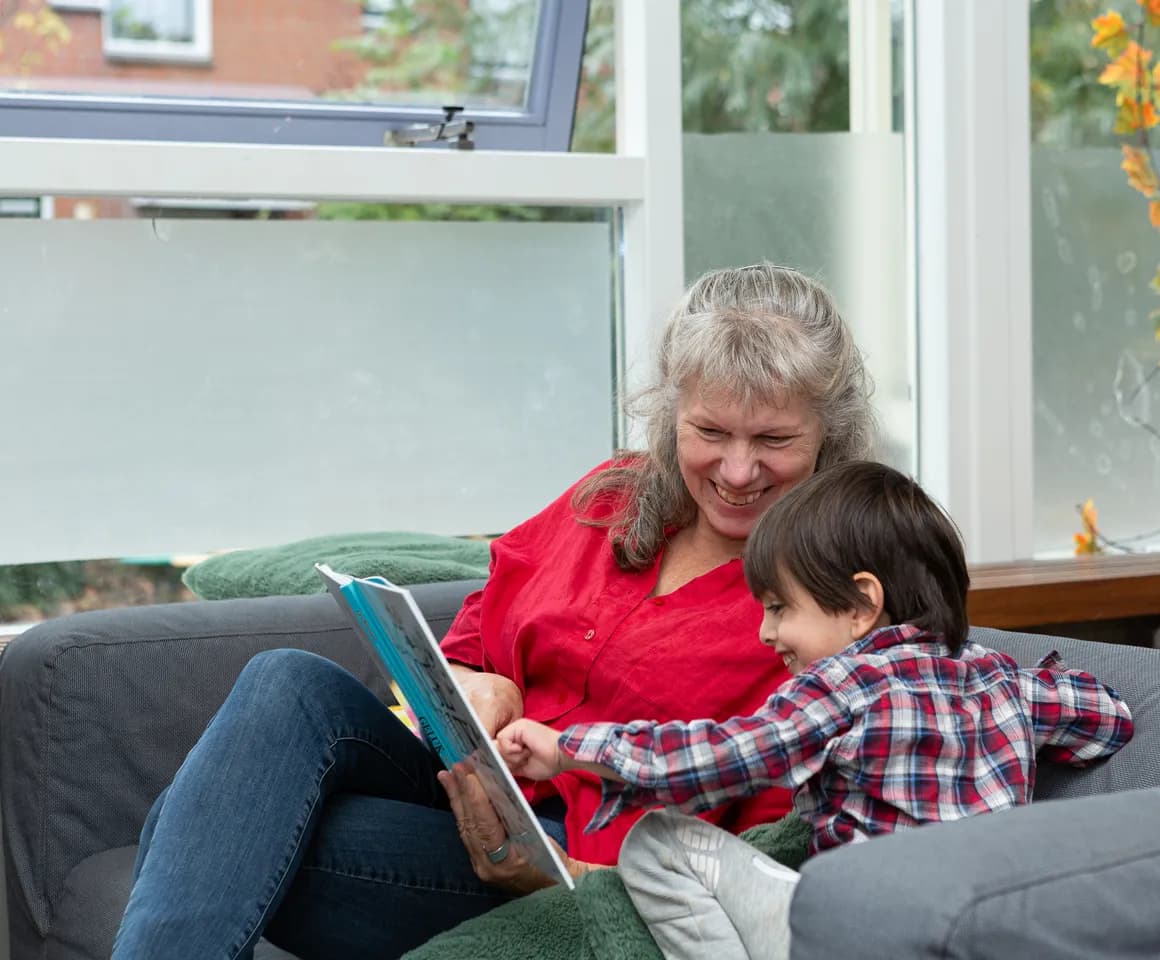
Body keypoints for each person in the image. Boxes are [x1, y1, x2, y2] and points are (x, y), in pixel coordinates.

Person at [111, 263, 877, 960]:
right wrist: (481, 685)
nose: (737, 471)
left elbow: (761, 868)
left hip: (568, 871)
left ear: (829, 437)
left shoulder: (831, 607)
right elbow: (474, 634)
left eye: (773, 440)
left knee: (213, 823)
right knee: (284, 685)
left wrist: (554, 880)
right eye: (709, 432)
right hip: (466, 782)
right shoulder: (610, 496)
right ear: (670, 414)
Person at [497, 460, 1135, 960]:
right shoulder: (1002, 680)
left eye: (779, 608)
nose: (767, 634)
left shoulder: (842, 687)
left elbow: (719, 759)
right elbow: (1110, 721)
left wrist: (570, 750)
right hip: (977, 938)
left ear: (860, 604)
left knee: (655, 841)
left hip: (861, 936)